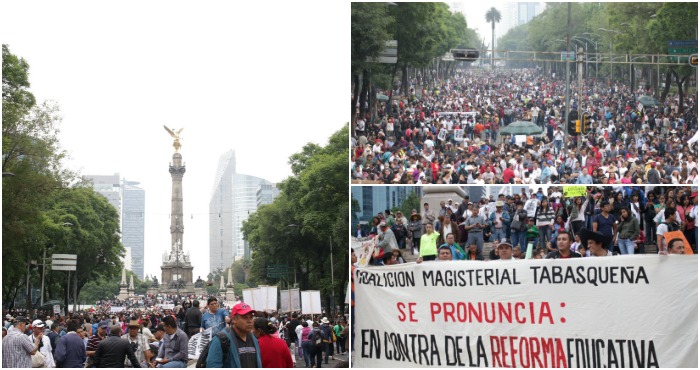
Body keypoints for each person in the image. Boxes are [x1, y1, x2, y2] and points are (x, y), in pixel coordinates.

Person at [206, 303, 262, 368]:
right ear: (234, 319)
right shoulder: (221, 340)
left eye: (251, 317)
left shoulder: (254, 339)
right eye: (245, 317)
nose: (250, 321)